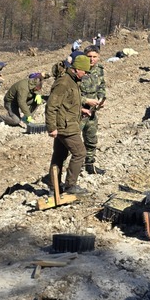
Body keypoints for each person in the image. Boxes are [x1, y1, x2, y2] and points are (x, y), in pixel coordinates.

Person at [45, 54, 91, 196]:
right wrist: (51, 127)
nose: (85, 75)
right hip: (65, 126)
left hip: (67, 123)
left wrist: (80, 110)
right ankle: (70, 185)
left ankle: (54, 188)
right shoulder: (64, 83)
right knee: (80, 153)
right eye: (85, 71)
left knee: (59, 155)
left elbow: (67, 103)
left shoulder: (72, 81)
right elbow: (51, 106)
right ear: (77, 69)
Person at [79, 47, 107, 175]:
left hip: (92, 111)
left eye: (94, 57)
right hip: (78, 111)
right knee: (72, 142)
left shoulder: (99, 70)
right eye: (89, 56)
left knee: (91, 138)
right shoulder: (78, 71)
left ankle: (89, 165)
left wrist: (101, 98)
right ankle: (72, 168)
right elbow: (71, 94)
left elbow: (101, 86)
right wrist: (86, 100)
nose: (92, 59)